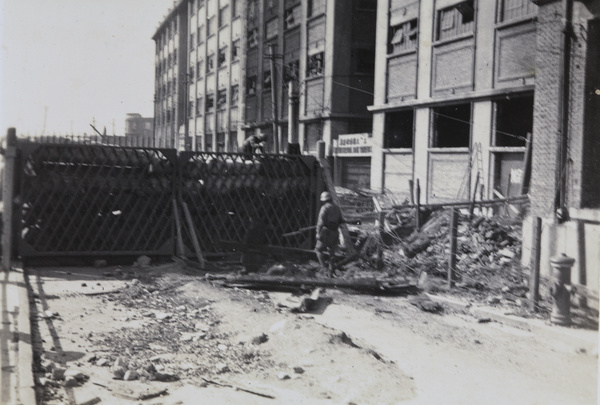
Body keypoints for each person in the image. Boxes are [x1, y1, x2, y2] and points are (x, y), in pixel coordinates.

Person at [315, 191, 344, 275]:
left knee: (318, 249)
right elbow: (340, 220)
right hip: (335, 232)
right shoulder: (337, 208)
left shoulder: (324, 208)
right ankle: (331, 269)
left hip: (326, 232)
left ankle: (324, 268)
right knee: (332, 252)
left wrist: (318, 233)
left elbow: (320, 222)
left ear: (324, 200)